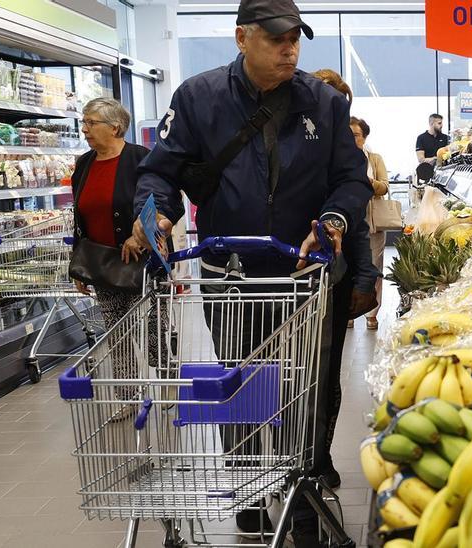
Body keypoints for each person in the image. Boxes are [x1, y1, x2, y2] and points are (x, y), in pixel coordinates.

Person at [130, 0, 372, 543]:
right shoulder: (198, 98)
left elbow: (351, 180)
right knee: (243, 382)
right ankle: (248, 487)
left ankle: (302, 491)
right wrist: (158, 214)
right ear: (243, 38)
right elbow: (158, 173)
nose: (290, 48)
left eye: (296, 39)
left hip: (305, 277)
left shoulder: (325, 103)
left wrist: (332, 219)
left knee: (307, 388)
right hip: (231, 276)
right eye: (276, 38)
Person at [308, 69, 381, 489]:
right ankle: (264, 467)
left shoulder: (346, 155)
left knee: (324, 374)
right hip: (286, 277)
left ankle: (318, 456)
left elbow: (353, 227)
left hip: (332, 278)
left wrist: (363, 278)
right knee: (276, 376)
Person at [68, 98, 154, 402]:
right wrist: (77, 264)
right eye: (84, 122)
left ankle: (171, 387)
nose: (85, 129)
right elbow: (80, 217)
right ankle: (128, 397)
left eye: (92, 122)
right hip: (102, 263)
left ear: (115, 127)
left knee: (154, 332)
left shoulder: (141, 158)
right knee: (117, 334)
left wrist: (140, 234)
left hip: (142, 261)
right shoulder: (84, 164)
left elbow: (160, 203)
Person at [349, 116, 388, 331]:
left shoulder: (374, 159)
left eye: (355, 135)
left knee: (374, 267)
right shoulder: (338, 158)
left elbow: (384, 186)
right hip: (348, 222)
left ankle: (372, 313)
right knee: (348, 267)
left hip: (372, 222)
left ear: (364, 138)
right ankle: (350, 311)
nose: (351, 139)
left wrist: (369, 183)